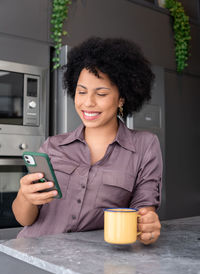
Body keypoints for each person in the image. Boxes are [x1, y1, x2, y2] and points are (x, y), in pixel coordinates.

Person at [13, 37, 162, 245]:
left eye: (101, 93)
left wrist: (148, 225)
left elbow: (143, 212)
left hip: (89, 264)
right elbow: (24, 219)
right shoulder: (53, 145)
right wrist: (25, 196)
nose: (88, 103)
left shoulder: (144, 146)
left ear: (121, 98)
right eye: (81, 92)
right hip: (34, 254)